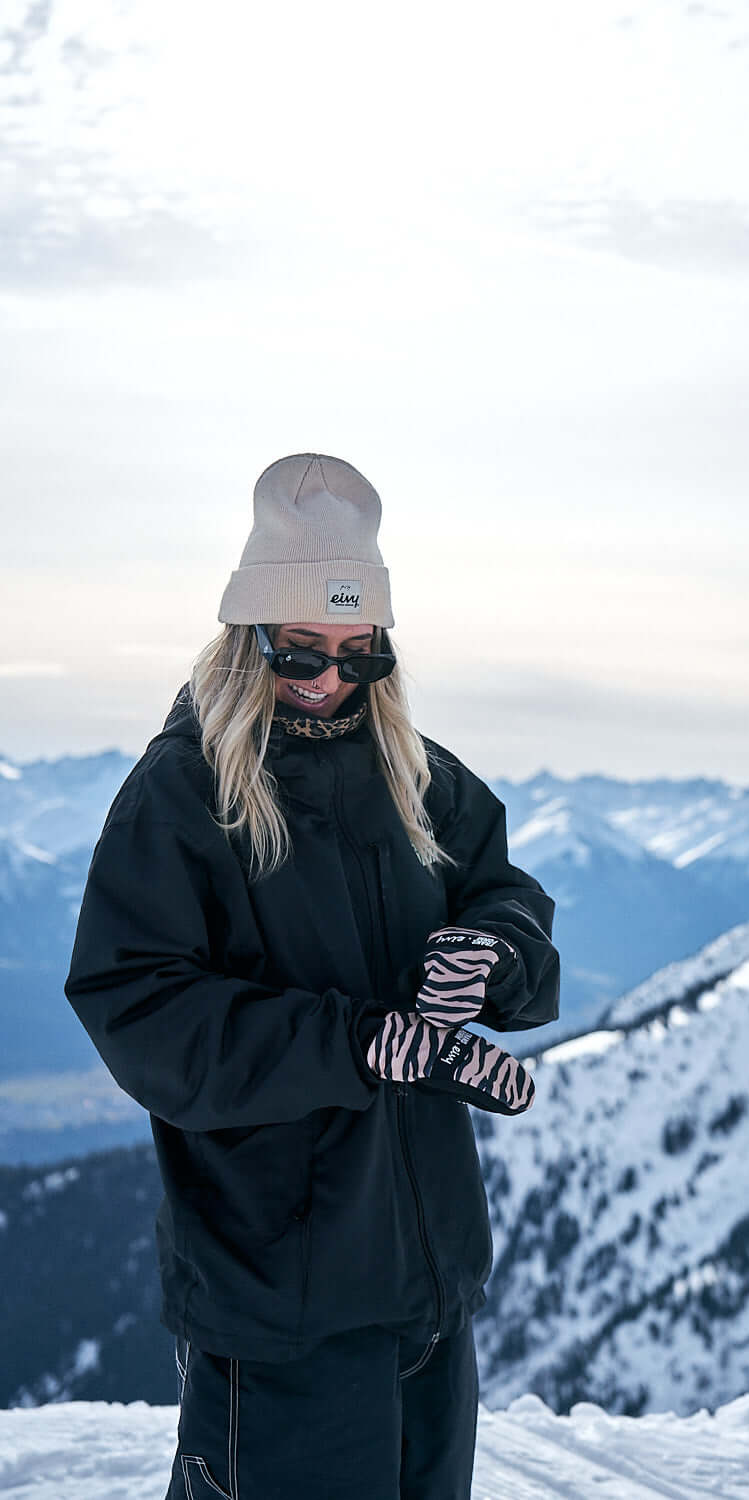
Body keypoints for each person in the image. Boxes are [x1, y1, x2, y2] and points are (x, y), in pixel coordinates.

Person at [64, 453, 560, 1500]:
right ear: (245, 640)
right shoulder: (183, 794)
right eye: (301, 654)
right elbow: (139, 1005)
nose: (331, 679)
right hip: (279, 1304)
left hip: (427, 1293)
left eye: (357, 653)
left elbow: (505, 893)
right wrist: (351, 1043)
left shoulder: (414, 776)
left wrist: (494, 959)